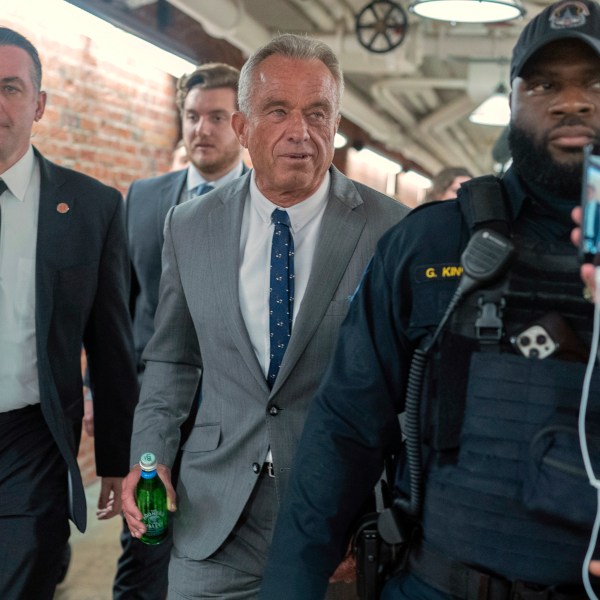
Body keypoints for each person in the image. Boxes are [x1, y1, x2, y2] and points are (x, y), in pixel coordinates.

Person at [259, 1, 600, 598]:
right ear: (513, 100)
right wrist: (291, 584)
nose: (572, 101)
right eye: (544, 83)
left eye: (595, 83)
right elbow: (345, 428)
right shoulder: (428, 243)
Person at [120, 33, 409, 599]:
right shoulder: (189, 226)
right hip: (213, 519)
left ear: (336, 122)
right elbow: (172, 359)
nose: (300, 131)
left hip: (338, 524)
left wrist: (388, 512)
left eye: (317, 113)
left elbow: (408, 389)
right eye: (278, 111)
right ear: (244, 126)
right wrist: (148, 458)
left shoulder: (391, 231)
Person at [0, 27, 137, 599]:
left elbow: (111, 345)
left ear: (39, 105)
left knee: (24, 577)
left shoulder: (90, 206)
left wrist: (114, 456)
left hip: (28, 441)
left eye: (10, 88)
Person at [113, 62, 248, 600]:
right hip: (151, 413)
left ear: (239, 124)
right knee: (145, 547)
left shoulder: (264, 208)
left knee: (217, 551)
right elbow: (120, 308)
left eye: (217, 116)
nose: (202, 129)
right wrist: (103, 393)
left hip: (229, 416)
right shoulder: (144, 197)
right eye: (192, 116)